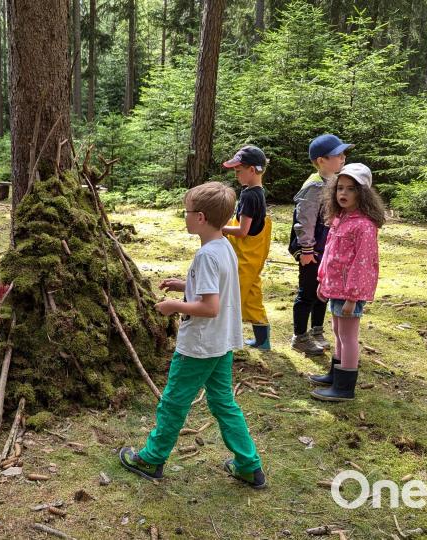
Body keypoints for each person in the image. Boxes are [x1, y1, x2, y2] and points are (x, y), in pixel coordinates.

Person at [118, 182, 265, 489]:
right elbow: (216, 289)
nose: (183, 216)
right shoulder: (224, 246)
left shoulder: (206, 256)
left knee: (173, 402)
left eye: (185, 211)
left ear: (200, 217)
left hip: (199, 345)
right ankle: (249, 466)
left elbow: (210, 307)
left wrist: (174, 306)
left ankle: (151, 458)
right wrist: (185, 285)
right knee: (223, 403)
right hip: (221, 342)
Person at [311, 163, 384, 402]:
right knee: (337, 331)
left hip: (350, 292)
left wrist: (353, 297)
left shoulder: (364, 226)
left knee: (348, 335)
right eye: (340, 188)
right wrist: (322, 280)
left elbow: (363, 264)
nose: (343, 193)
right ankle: (336, 374)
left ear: (362, 193)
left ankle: (345, 387)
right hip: (336, 288)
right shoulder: (340, 218)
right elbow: (330, 253)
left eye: (351, 189)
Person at [290, 134, 353, 358]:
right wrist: (306, 249)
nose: (343, 158)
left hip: (326, 248)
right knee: (307, 292)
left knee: (323, 290)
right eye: (337, 155)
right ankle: (300, 337)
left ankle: (317, 330)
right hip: (312, 249)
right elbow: (304, 220)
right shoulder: (315, 186)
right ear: (321, 160)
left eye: (343, 154)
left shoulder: (333, 182)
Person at [221, 145, 272, 350]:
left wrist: (219, 229)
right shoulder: (257, 192)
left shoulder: (249, 196)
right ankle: (262, 340)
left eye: (238, 171)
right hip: (253, 257)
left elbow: (243, 231)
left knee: (231, 296)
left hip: (245, 258)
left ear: (252, 170)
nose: (236, 175)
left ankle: (225, 340)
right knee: (252, 296)